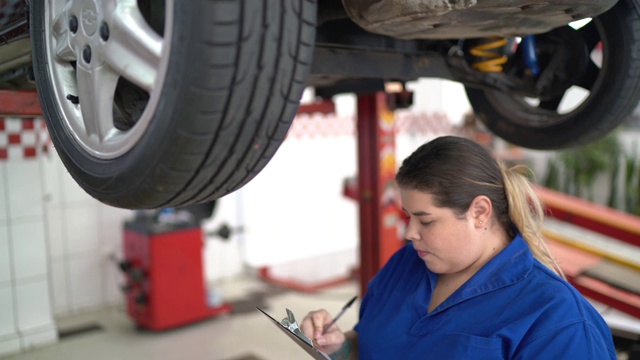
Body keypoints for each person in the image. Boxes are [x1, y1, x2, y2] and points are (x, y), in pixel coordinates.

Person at [300, 135, 616, 359]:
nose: (410, 233)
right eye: (408, 217)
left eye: (426, 221)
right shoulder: (405, 265)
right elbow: (369, 347)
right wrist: (339, 347)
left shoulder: (560, 322)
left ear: (479, 213)